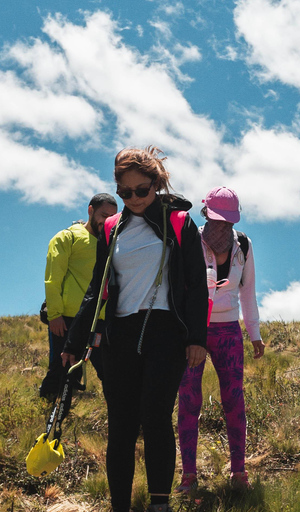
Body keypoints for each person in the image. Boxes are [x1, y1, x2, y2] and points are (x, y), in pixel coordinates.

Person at [63, 146, 209, 512]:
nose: (134, 198)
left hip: (165, 333)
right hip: (119, 336)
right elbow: (97, 289)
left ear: (156, 184)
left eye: (141, 190)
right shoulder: (112, 228)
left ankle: (160, 505)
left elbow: (196, 283)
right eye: (124, 192)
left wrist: (196, 338)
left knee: (156, 416)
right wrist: (74, 339)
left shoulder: (179, 222)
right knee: (121, 425)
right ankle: (120, 507)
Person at [175, 186, 265, 493]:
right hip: (192, 332)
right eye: (216, 219)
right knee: (188, 400)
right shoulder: (190, 240)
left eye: (227, 220)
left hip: (228, 330)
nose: (222, 226)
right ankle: (188, 476)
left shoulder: (244, 245)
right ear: (205, 215)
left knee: (234, 400)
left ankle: (238, 472)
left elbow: (247, 291)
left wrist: (254, 333)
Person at [39, 193, 118, 399]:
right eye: (103, 215)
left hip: (99, 321)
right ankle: (48, 406)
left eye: (111, 217)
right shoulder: (66, 238)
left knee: (110, 372)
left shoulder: (112, 245)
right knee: (60, 368)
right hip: (65, 320)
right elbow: (52, 279)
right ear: (90, 210)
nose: (105, 220)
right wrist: (54, 315)